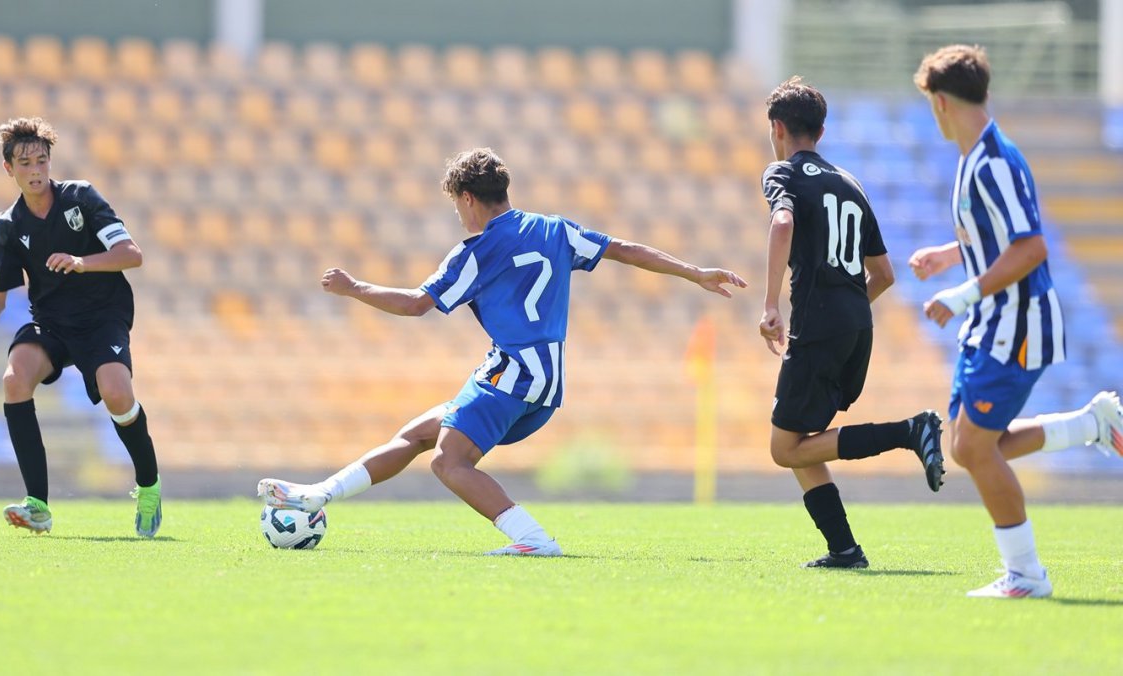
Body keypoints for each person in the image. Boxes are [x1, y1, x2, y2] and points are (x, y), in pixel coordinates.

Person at [259, 147, 747, 555]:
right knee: (419, 434)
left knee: (448, 461)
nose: (458, 214)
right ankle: (318, 493)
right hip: (541, 379)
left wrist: (354, 287)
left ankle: (532, 539)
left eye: (456, 205)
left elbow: (415, 305)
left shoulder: (476, 252)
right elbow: (624, 249)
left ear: (467, 199)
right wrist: (694, 271)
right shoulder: (555, 230)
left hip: (513, 374)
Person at [911, 45, 1123, 598]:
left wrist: (960, 293)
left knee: (977, 450)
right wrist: (948, 254)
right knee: (968, 448)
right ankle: (1091, 426)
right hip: (990, 321)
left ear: (940, 102)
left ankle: (1027, 575)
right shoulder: (976, 155)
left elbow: (1030, 247)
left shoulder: (993, 160)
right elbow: (995, 236)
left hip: (1016, 321)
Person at [758, 77, 946, 570]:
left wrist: (771, 303)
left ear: (778, 128)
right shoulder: (849, 183)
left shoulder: (782, 172)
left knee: (784, 448)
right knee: (801, 442)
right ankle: (844, 549)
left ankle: (911, 430)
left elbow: (782, 223)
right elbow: (883, 273)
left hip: (818, 325)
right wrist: (846, 306)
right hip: (857, 325)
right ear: (821, 131)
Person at [0, 117, 163, 538]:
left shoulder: (82, 198)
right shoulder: (9, 225)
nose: (35, 171)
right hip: (51, 323)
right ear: (8, 169)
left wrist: (81, 263)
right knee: (14, 380)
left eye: (41, 160)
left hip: (101, 316)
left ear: (50, 161)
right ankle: (37, 505)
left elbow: (132, 254)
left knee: (117, 395)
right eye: (24, 163)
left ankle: (148, 486)